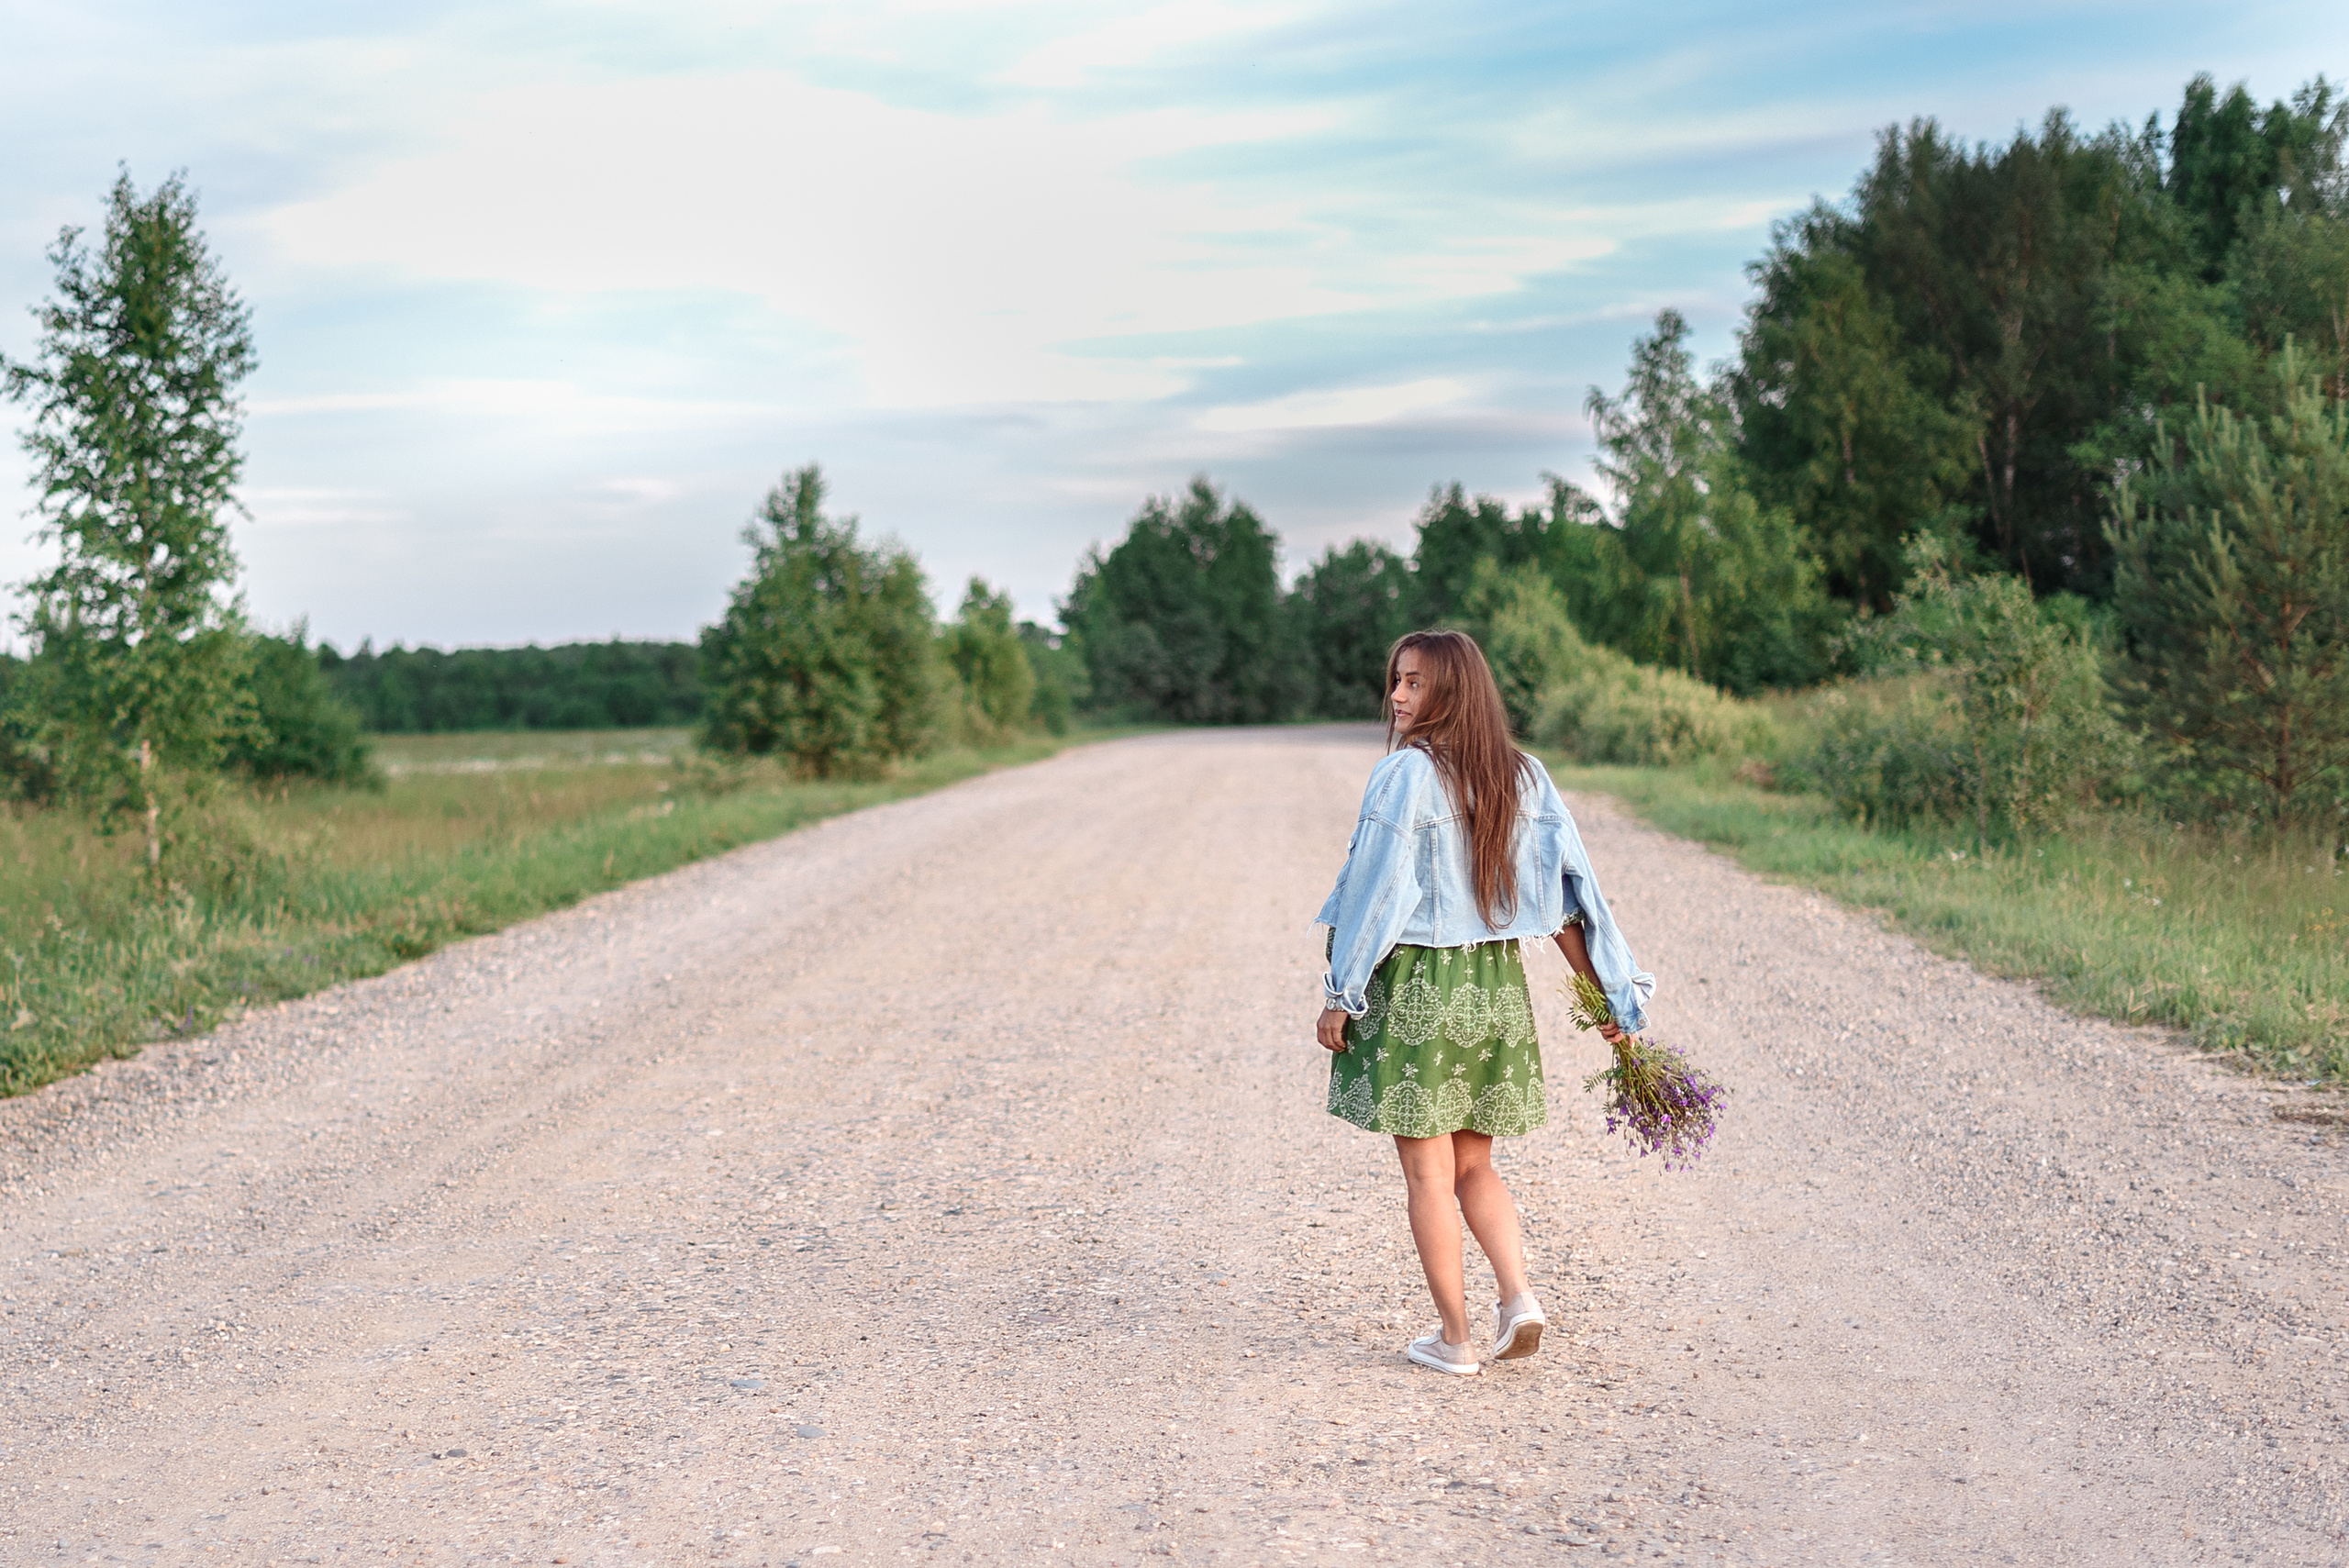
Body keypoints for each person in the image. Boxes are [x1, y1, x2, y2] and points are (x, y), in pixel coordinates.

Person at [1314, 628, 1653, 1376]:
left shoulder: (1405, 776)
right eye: (1396, 681)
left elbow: (1375, 893)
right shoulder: (1524, 775)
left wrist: (1341, 994)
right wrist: (1611, 1000)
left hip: (1416, 988)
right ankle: (1519, 1296)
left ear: (1452, 691)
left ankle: (1456, 1339)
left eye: (1414, 684)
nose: (1397, 697)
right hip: (1494, 989)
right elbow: (1572, 903)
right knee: (1476, 1165)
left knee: (1429, 1175)